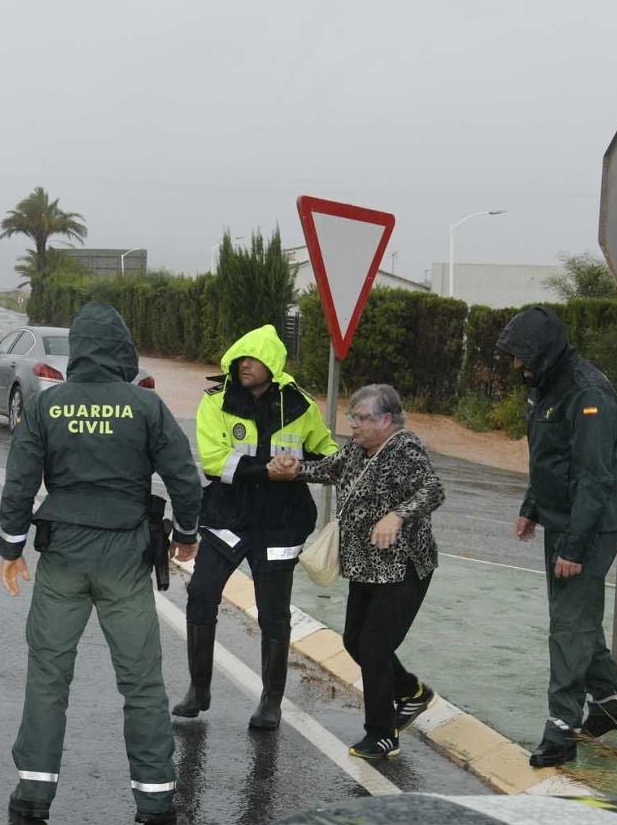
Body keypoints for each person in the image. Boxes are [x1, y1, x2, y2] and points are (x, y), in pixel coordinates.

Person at [0, 302, 203, 825]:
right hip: (125, 560)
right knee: (140, 682)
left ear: (80, 349)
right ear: (122, 350)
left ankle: (34, 794)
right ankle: (155, 799)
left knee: (48, 676)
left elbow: (21, 478)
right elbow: (183, 474)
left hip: (62, 556)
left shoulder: (48, 404)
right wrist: (185, 536)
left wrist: (11, 548)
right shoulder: (146, 406)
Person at [174, 325, 337, 730]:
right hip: (228, 515)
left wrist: (300, 468)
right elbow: (214, 461)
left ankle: (271, 702)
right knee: (200, 592)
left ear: (272, 364)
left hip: (281, 522)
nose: (243, 365)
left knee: (274, 613)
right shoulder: (216, 401)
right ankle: (199, 689)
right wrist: (266, 469)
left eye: (252, 359)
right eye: (238, 359)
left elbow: (330, 455)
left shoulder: (301, 406)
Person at [499, 307, 617, 768]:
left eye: (522, 357)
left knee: (568, 626)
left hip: (590, 526)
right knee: (574, 618)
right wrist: (531, 507)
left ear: (543, 353)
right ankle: (613, 704)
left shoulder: (587, 393)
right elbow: (550, 457)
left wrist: (575, 547)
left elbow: (594, 478)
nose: (516, 366)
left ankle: (561, 729)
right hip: (563, 519)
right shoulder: (546, 387)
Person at [296, 384, 444, 759]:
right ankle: (410, 691)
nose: (354, 424)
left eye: (361, 418)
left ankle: (382, 734)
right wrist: (293, 469)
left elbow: (432, 491)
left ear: (387, 420)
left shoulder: (405, 448)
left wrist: (396, 516)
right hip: (365, 568)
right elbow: (327, 469)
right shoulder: (358, 450)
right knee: (353, 641)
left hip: (403, 568)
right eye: (352, 416)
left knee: (375, 646)